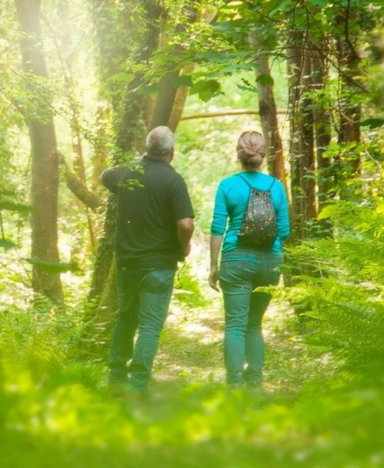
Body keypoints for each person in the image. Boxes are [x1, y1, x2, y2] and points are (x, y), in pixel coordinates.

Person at [101, 126, 195, 395]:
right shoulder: (173, 181)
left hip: (127, 261)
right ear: (171, 152)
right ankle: (137, 386)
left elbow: (103, 176)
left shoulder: (127, 172)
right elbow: (186, 224)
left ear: (146, 147)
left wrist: (131, 166)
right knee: (150, 326)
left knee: (125, 318)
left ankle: (115, 379)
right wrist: (184, 247)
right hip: (159, 264)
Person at [208, 130, 290, 388]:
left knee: (235, 325)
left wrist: (213, 266)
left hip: (236, 260)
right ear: (263, 155)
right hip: (270, 261)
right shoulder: (277, 187)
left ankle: (235, 384)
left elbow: (217, 228)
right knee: (254, 324)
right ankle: (254, 381)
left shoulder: (228, 185)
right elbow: (284, 231)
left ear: (239, 154)